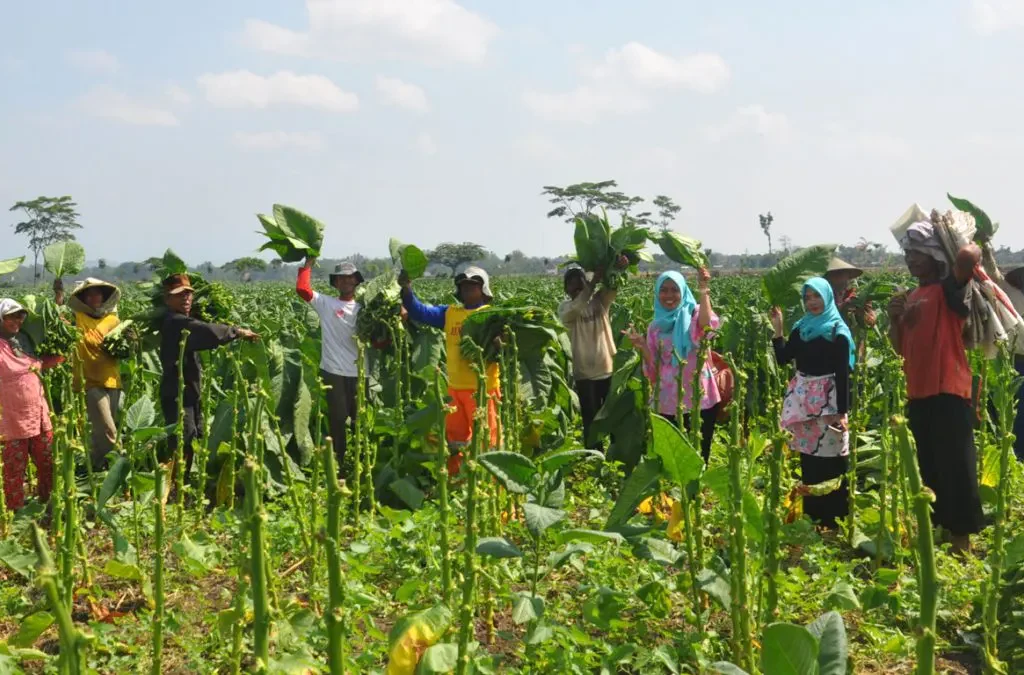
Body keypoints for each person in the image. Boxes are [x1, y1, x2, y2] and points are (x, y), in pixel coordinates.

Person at [888, 223, 984, 553]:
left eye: (918, 253)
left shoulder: (948, 290)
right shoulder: (910, 297)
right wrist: (893, 319)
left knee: (956, 467)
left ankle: (962, 542)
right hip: (918, 392)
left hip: (949, 390)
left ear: (934, 255)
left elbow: (968, 256)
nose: (911, 259)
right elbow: (900, 349)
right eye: (907, 253)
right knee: (930, 467)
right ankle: (939, 532)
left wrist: (956, 235)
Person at [159, 274, 259, 487]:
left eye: (188, 294)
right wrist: (238, 332)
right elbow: (208, 332)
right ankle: (175, 491)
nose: (186, 299)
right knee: (181, 440)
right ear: (167, 299)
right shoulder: (174, 322)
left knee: (193, 436)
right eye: (179, 296)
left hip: (190, 392)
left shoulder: (184, 320)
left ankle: (181, 486)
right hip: (178, 394)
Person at [770, 278, 854, 528]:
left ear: (827, 298)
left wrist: (841, 412)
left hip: (830, 402)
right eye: (807, 298)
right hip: (804, 400)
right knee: (809, 456)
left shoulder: (836, 331)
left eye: (817, 296)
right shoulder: (801, 328)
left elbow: (843, 374)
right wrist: (778, 330)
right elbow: (785, 358)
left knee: (833, 457)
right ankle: (813, 516)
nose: (812, 302)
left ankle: (836, 518)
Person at [399, 266, 499, 474]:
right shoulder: (450, 313)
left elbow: (507, 347)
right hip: (455, 389)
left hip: (483, 390)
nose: (467, 290)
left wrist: (500, 343)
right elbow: (420, 311)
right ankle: (458, 480)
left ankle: (490, 487)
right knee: (455, 440)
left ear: (483, 289)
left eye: (473, 286)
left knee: (487, 439)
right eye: (463, 286)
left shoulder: (493, 315)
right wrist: (406, 288)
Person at [626, 268, 721, 463]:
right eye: (664, 290)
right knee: (673, 458)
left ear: (683, 292)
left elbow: (706, 326)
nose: (669, 295)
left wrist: (703, 289)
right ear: (657, 293)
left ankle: (696, 492)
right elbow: (654, 371)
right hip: (667, 401)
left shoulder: (693, 314)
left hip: (699, 398)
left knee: (699, 454)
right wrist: (642, 346)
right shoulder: (655, 327)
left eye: (674, 290)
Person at [296, 258, 365, 475]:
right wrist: (308, 263)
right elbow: (303, 290)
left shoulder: (365, 308)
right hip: (333, 370)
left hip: (360, 370)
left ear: (356, 281)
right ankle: (339, 462)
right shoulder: (326, 304)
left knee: (359, 418)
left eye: (350, 277)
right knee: (337, 418)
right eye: (341, 278)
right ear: (335, 283)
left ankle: (361, 460)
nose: (346, 281)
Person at [0, 299, 64, 511]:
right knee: (13, 469)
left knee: (47, 463)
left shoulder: (25, 340)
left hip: (39, 414)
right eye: (11, 316)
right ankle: (15, 512)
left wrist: (61, 351)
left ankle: (47, 506)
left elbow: (38, 364)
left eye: (20, 316)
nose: (17, 320)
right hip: (11, 420)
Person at [56, 278, 123, 470]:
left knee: (102, 431)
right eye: (90, 294)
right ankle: (119, 467)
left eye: (98, 293)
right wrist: (58, 293)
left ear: (104, 297)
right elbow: (58, 317)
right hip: (89, 382)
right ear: (84, 298)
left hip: (113, 379)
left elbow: (124, 348)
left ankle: (95, 467)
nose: (95, 297)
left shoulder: (113, 320)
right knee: (109, 429)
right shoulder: (77, 318)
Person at [558, 265, 616, 450]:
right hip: (584, 373)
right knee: (590, 418)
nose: (576, 285)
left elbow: (613, 287)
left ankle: (616, 453)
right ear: (565, 289)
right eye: (571, 282)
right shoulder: (565, 309)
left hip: (606, 368)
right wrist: (590, 285)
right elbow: (576, 307)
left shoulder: (600, 301)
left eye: (579, 280)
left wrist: (614, 268)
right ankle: (594, 455)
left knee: (613, 416)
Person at [996, 265, 1024, 460]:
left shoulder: (1011, 291)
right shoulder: (1012, 292)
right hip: (1017, 359)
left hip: (1015, 358)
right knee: (1018, 409)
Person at [825, 258, 876, 329]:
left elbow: (871, 322)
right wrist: (843, 305)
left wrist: (861, 312)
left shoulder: (858, 296)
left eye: (840, 274)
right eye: (832, 275)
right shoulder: (823, 297)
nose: (835, 278)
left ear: (848, 276)